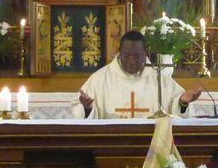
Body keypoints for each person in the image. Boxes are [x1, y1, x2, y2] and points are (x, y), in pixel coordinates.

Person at [74, 31, 202, 119]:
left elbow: (177, 110)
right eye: (127, 55)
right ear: (119, 52)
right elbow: (79, 114)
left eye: (136, 56)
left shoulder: (160, 80)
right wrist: (87, 108)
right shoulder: (99, 80)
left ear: (145, 54)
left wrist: (183, 102)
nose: (131, 61)